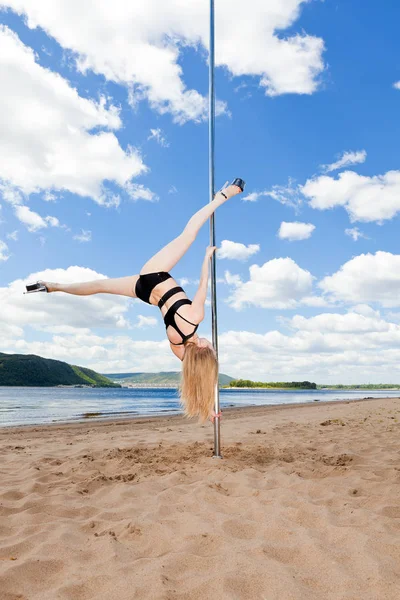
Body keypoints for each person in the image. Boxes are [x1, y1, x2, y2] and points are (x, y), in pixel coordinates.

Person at [25, 179, 245, 424]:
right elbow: (203, 376)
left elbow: (203, 284)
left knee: (189, 235)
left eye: (211, 349)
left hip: (155, 274)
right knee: (99, 286)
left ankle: (221, 197)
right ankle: (53, 286)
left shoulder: (195, 317)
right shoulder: (180, 349)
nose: (213, 346)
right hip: (146, 294)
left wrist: (207, 257)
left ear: (204, 349)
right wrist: (211, 407)